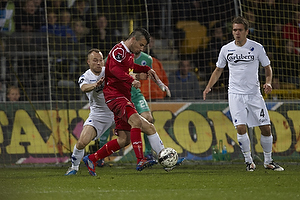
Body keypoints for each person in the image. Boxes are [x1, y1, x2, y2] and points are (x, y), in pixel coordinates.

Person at [83, 28, 184, 176]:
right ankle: (140, 160)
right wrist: (132, 79)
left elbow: (130, 67)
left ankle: (92, 158)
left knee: (128, 137)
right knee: (136, 121)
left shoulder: (128, 54)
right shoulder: (119, 50)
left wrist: (146, 68)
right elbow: (115, 70)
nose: (142, 49)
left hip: (123, 96)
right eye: (141, 45)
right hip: (115, 96)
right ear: (133, 40)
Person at [203, 16, 284, 172]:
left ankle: (268, 161)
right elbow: (218, 69)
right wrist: (208, 86)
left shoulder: (257, 47)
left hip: (254, 94)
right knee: (240, 128)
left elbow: (267, 67)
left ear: (246, 31)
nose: (237, 33)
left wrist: (268, 82)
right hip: (235, 94)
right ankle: (249, 161)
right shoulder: (226, 49)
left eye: (240, 30)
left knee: (266, 128)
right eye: (234, 30)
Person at [65, 48, 115, 175]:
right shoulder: (85, 76)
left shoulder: (109, 71)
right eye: (95, 60)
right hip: (99, 115)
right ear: (88, 62)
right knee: (82, 142)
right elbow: (84, 88)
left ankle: (161, 155)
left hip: (116, 110)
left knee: (144, 125)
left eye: (100, 60)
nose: (98, 63)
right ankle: (74, 167)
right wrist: (95, 85)